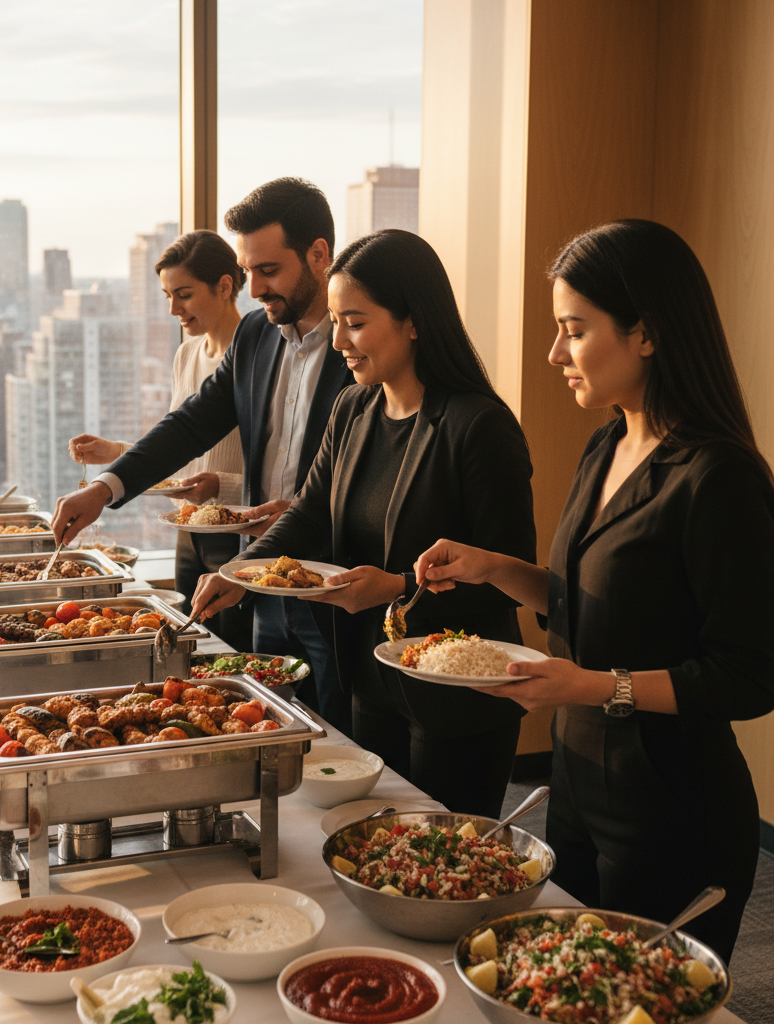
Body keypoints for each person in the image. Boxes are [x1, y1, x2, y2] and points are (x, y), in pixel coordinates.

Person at [414, 219, 774, 963]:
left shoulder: (720, 479)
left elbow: (748, 676)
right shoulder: (607, 443)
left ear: (645, 333)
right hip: (576, 789)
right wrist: (495, 569)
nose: (554, 354)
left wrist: (589, 686)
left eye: (573, 330)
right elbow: (593, 604)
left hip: (672, 811)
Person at [190, 229, 536, 817]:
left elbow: (508, 578)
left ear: (413, 321)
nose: (340, 342)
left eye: (355, 322)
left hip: (455, 696)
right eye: (335, 322)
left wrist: (399, 590)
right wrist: (242, 569)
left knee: (441, 864)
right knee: (370, 842)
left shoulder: (478, 428)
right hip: (369, 675)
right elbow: (308, 509)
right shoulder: (354, 408)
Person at [51, 178, 355, 734]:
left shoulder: (357, 344)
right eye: (249, 271)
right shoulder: (258, 337)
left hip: (331, 589)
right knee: (263, 730)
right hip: (261, 578)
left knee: (336, 743)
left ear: (319, 255)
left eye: (269, 270)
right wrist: (105, 487)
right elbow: (189, 425)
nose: (255, 288)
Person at [67, 230, 253, 651]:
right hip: (188, 531)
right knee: (192, 648)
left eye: (183, 294)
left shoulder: (259, 359)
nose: (173, 309)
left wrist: (220, 486)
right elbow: (182, 445)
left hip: (240, 533)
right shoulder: (186, 354)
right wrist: (116, 453)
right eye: (168, 296)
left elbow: (280, 471)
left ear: (225, 286)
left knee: (232, 650)